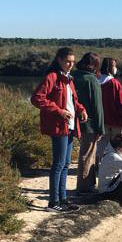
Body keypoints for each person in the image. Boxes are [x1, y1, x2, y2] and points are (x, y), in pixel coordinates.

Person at [31, 47, 88, 211]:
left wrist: (81, 109)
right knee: (58, 164)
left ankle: (62, 199)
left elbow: (72, 101)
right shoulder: (52, 77)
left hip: (70, 125)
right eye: (67, 61)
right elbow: (36, 98)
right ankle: (53, 202)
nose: (71, 64)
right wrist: (58, 111)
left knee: (66, 163)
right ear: (59, 60)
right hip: (58, 126)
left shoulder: (68, 78)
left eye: (73, 62)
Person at [73, 52, 105, 194]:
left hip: (74, 120)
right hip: (90, 123)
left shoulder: (73, 76)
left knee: (84, 153)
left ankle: (87, 184)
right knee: (88, 154)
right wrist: (100, 128)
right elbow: (97, 107)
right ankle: (85, 186)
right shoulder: (91, 80)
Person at [97, 57, 122, 163]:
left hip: (101, 119)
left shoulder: (97, 81)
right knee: (116, 142)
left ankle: (98, 163)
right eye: (114, 66)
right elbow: (121, 101)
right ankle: (114, 163)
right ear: (109, 67)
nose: (115, 68)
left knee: (102, 142)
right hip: (114, 118)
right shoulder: (114, 83)